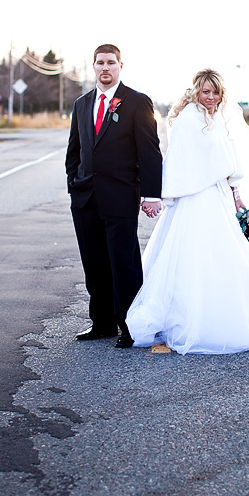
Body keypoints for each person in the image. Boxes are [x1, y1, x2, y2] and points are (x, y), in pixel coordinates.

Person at [127, 69, 249, 354]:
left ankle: (225, 315)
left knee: (226, 255)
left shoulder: (219, 117)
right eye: (206, 91)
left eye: (216, 92)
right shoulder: (188, 118)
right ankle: (187, 318)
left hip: (217, 195)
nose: (211, 97)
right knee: (191, 257)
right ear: (195, 92)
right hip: (195, 199)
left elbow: (229, 161)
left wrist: (238, 195)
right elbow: (181, 159)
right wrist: (165, 195)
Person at [65, 44, 163, 348]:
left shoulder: (136, 102)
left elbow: (149, 152)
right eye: (100, 63)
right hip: (85, 198)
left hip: (120, 196)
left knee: (124, 263)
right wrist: (74, 183)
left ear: (120, 66)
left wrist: (150, 194)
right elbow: (75, 150)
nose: (105, 68)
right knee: (93, 262)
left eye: (111, 63)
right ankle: (102, 323)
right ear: (93, 67)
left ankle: (130, 326)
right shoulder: (82, 104)